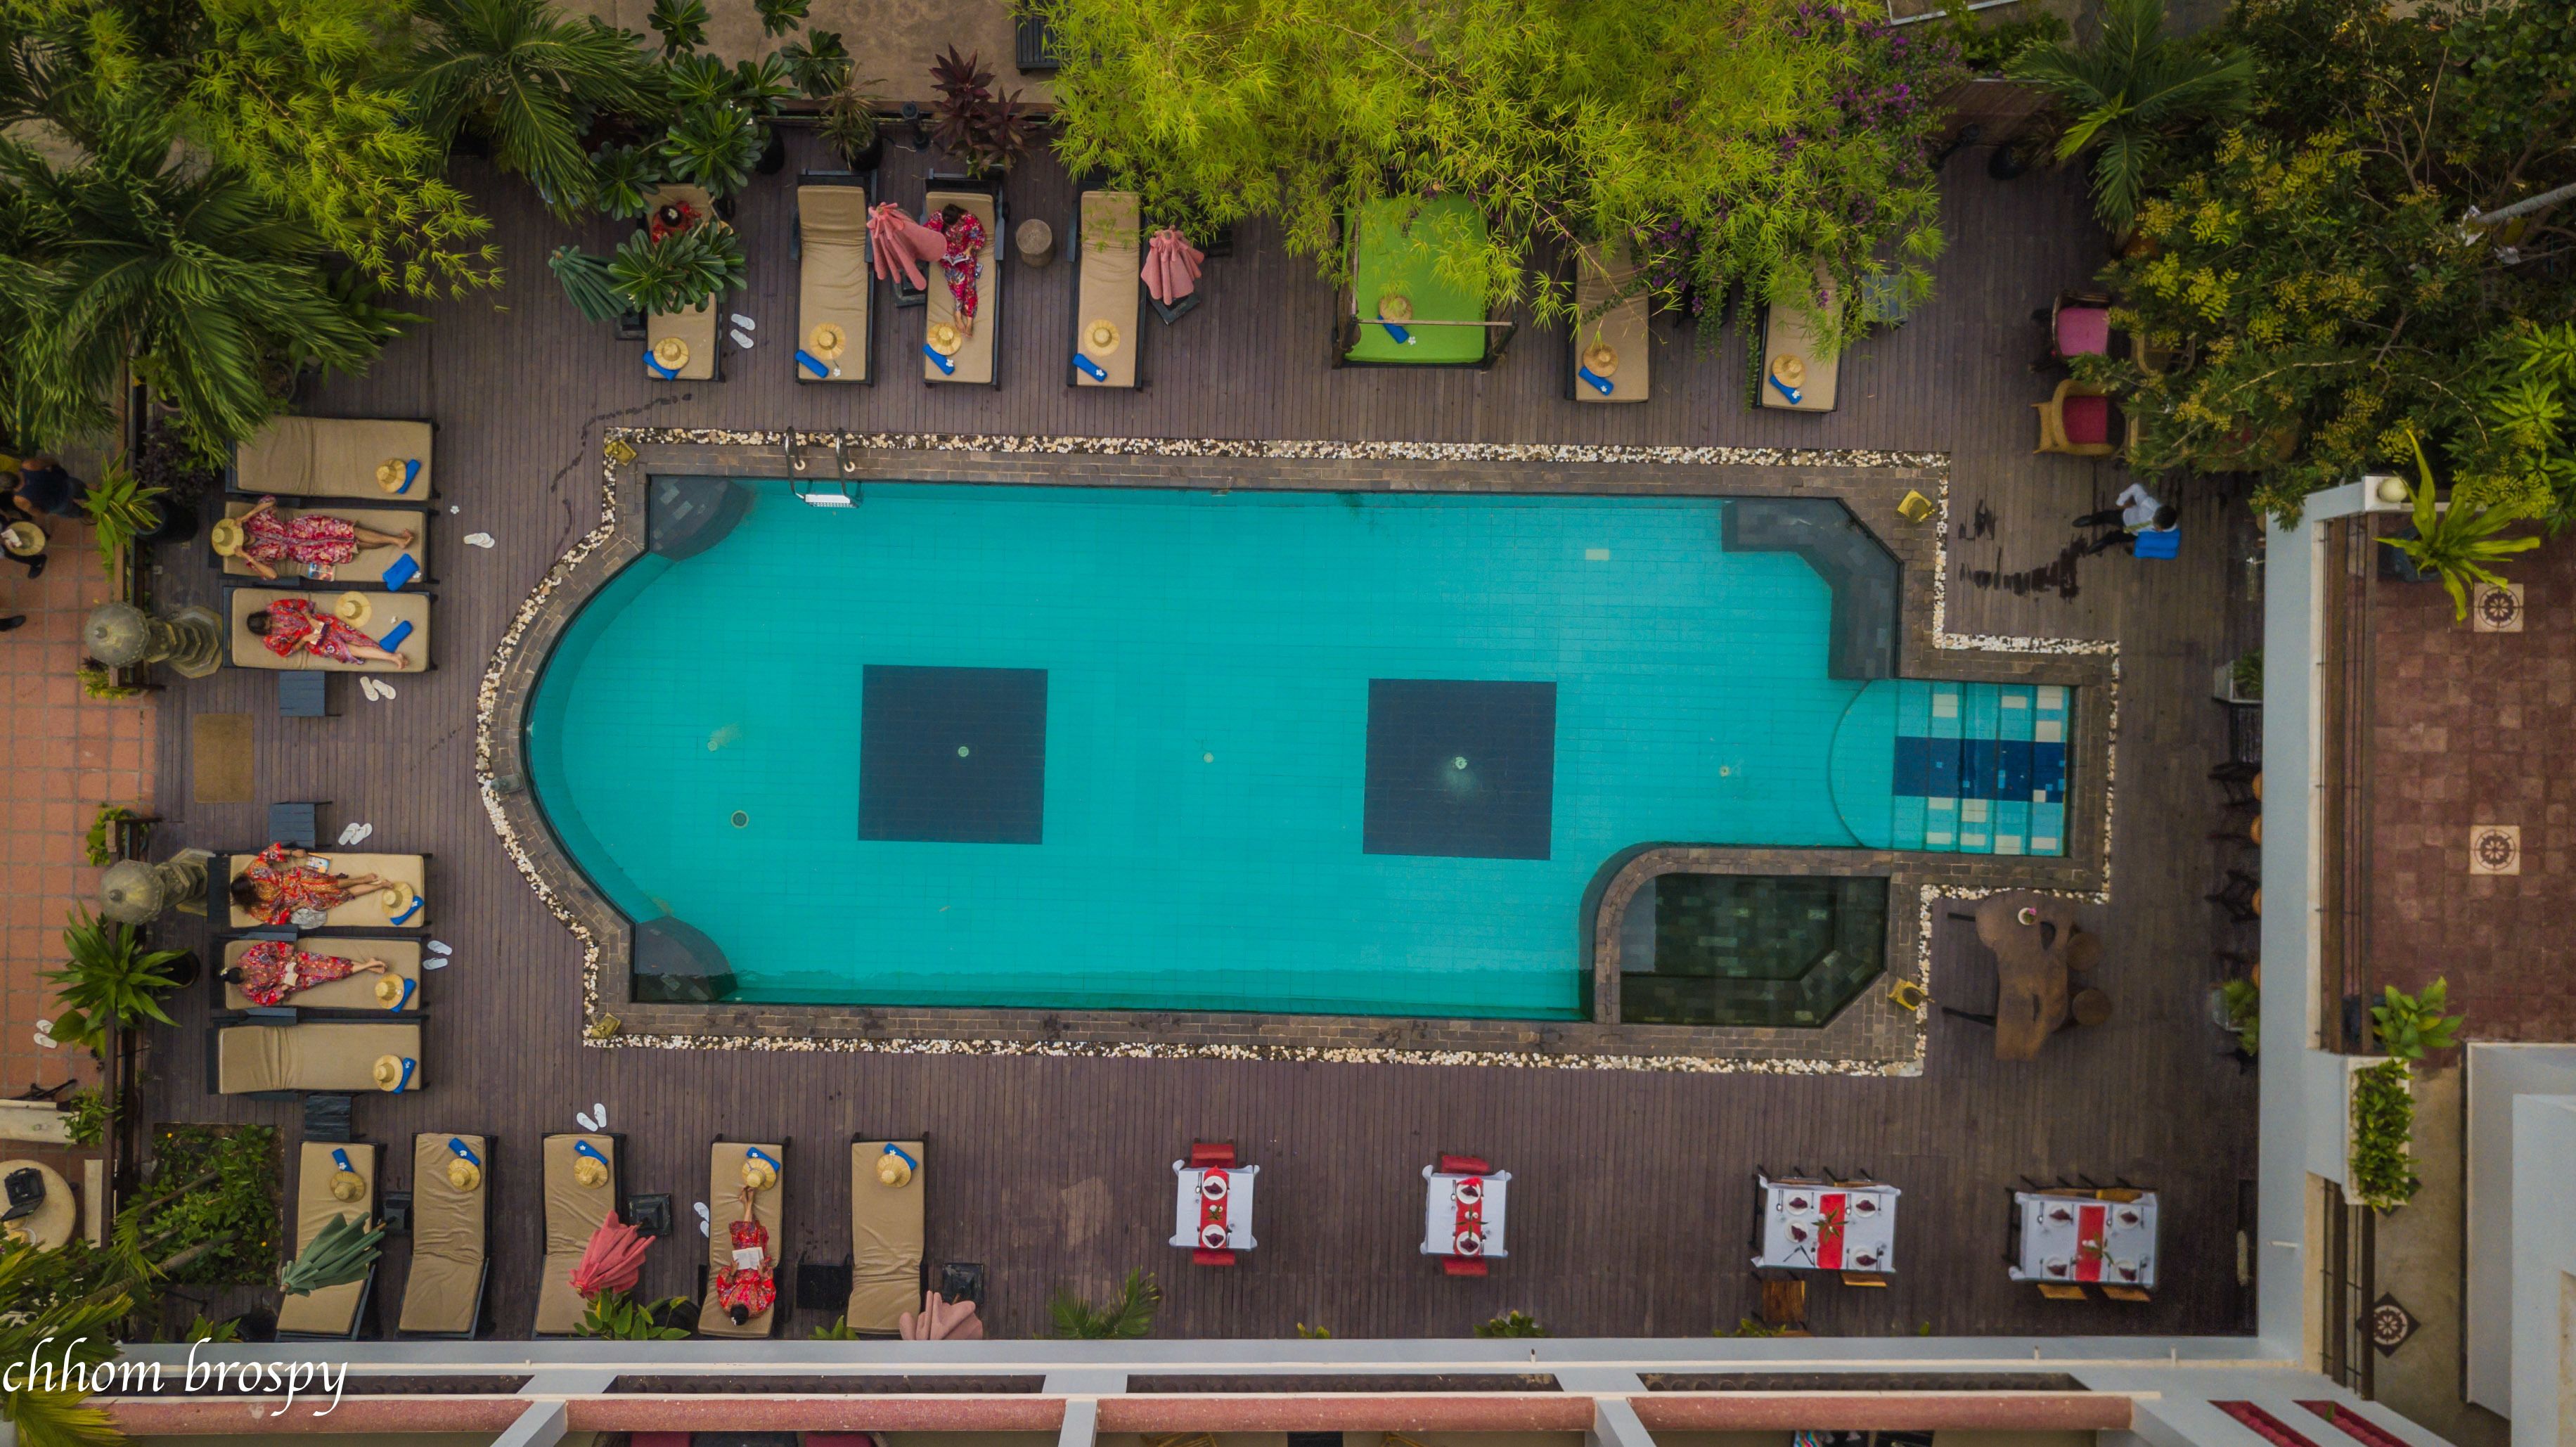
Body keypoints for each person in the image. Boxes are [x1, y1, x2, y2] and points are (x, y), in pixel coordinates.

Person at [221, 498, 414, 581]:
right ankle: (395, 541)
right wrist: (249, 557)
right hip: (303, 553)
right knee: (350, 548)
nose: (242, 536)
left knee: (348, 529)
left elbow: (271, 501)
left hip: (303, 528)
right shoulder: (252, 557)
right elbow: (272, 575)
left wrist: (246, 516)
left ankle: (396, 540)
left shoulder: (254, 521)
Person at [227, 843, 387, 927]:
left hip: (295, 878)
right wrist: (296, 907)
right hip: (295, 898)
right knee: (334, 896)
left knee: (325, 885)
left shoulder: (254, 871)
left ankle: (361, 880)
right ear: (249, 894)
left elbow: (267, 853)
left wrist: (292, 853)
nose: (255, 882)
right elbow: (276, 918)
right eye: (253, 886)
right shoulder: (257, 909)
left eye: (252, 880)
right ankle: (377, 886)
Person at [246, 596, 410, 668]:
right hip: (316, 642)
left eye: (269, 620)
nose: (272, 624)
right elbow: (289, 651)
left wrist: (310, 619)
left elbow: (300, 604)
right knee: (349, 650)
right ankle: (392, 657)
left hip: (320, 622)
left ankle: (393, 656)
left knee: (356, 638)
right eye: (269, 627)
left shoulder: (275, 608)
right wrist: (304, 639)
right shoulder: (271, 641)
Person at [220, 939, 391, 1006]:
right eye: (245, 978)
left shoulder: (248, 957)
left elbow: (271, 947)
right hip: (294, 981)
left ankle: (368, 966)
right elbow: (264, 999)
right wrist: (284, 988)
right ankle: (368, 965)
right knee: (331, 974)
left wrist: (289, 957)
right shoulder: (248, 989)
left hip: (294, 962)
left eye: (245, 972)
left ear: (239, 968)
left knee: (332, 962)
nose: (248, 974)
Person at [711, 1185, 776, 1327]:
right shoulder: (758, 1308)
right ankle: (747, 1203)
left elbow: (724, 1286)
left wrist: (732, 1272)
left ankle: (748, 1204)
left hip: (739, 1271)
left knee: (744, 1241)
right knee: (752, 1239)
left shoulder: (727, 1304)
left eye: (737, 1303)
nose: (740, 1301)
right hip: (755, 1271)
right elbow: (769, 1291)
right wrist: (762, 1274)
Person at [927, 202, 988, 337]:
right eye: (948, 225)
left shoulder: (969, 219)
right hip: (947, 255)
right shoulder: (939, 217)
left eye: (953, 225)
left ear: (959, 216)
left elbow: (980, 237)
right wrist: (938, 249)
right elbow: (927, 234)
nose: (950, 227)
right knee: (960, 280)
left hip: (964, 254)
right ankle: (958, 313)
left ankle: (970, 320)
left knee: (970, 284)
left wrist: (969, 249)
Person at [2075, 482, 2177, 555]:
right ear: (2156, 512)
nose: (2158, 530)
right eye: (2157, 526)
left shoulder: (2171, 527)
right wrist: (2121, 502)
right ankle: (2091, 520)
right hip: (2125, 517)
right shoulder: (2147, 504)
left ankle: (2104, 542)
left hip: (2134, 532)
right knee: (2105, 516)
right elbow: (2136, 487)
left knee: (2116, 538)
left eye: (2160, 529)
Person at [4, 456, 85, 520]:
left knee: (82, 513)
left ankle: (96, 517)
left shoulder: (19, 499)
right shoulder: (28, 465)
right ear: (11, 473)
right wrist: (60, 472)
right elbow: (52, 461)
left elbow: (38, 513)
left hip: (60, 505)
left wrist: (49, 511)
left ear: (7, 489)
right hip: (68, 484)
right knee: (90, 495)